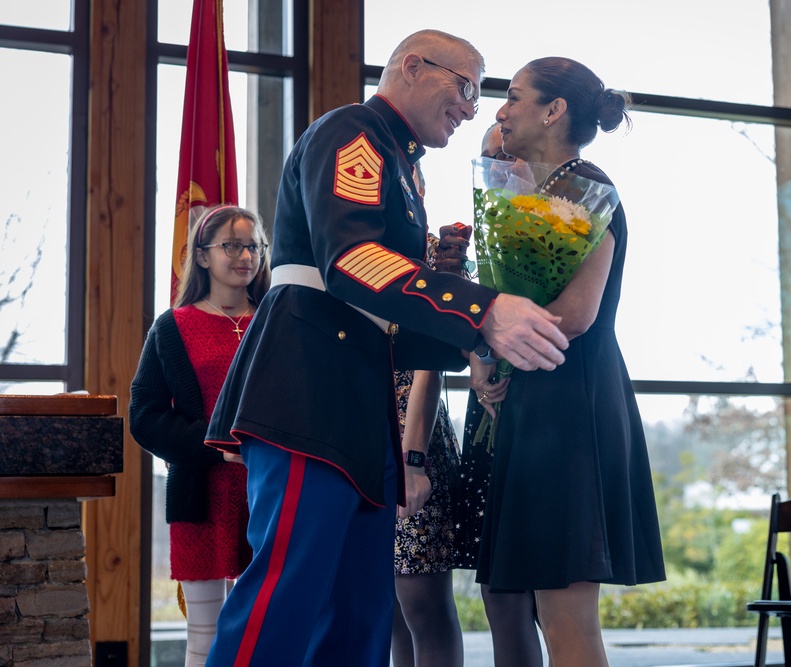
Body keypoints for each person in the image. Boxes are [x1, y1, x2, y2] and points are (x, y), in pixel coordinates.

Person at [202, 29, 569, 667]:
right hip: (307, 387)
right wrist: (480, 309)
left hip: (361, 396)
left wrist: (446, 283)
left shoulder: (402, 164)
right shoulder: (355, 132)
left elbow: (388, 304)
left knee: (360, 610)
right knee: (287, 590)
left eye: (478, 96)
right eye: (464, 86)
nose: (470, 107)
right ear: (410, 66)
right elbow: (349, 259)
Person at [471, 57, 666, 667]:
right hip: (529, 402)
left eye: (515, 97)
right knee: (508, 598)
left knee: (564, 611)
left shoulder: (586, 189)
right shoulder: (533, 191)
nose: (500, 110)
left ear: (554, 111)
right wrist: (484, 352)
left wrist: (496, 338)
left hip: (572, 406)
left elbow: (576, 314)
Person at [129, 205, 271, 667]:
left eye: (253, 245)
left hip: (269, 493)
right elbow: (145, 416)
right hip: (200, 496)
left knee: (262, 630)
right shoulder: (172, 327)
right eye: (232, 245)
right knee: (206, 634)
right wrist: (214, 446)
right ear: (203, 257)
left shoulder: (276, 322)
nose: (245, 255)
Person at [452, 123, 544, 667]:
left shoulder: (557, 224)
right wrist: (481, 365)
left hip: (538, 408)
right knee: (497, 586)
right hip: (488, 405)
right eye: (487, 158)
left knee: (540, 588)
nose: (496, 167)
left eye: (506, 156)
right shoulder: (478, 233)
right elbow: (465, 317)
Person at [390, 164, 467, 667]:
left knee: (422, 603)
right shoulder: (355, 257)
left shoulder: (436, 262)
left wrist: (412, 457)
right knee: (388, 606)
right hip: (362, 432)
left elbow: (429, 366)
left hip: (411, 435)